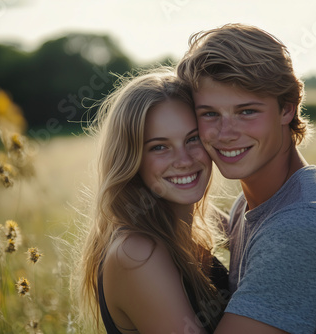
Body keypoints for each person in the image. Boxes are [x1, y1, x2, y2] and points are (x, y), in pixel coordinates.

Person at [177, 23, 316, 333]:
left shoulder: (303, 224)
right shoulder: (251, 202)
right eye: (210, 113)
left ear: (287, 109)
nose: (226, 134)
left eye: (247, 111)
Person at [77, 69, 229, 334]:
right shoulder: (137, 253)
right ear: (131, 160)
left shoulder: (185, 227)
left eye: (192, 139)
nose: (184, 160)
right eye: (159, 146)